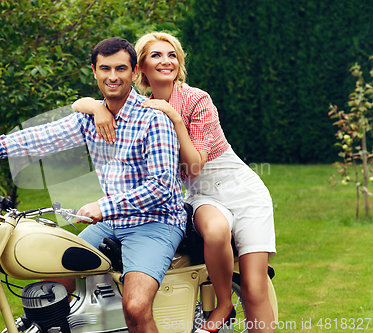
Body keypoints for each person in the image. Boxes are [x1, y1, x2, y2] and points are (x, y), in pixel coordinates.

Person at [0, 37, 186, 333]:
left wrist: (104, 205)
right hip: (112, 221)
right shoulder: (90, 119)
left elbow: (162, 186)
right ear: (94, 71)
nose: (112, 76)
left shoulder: (154, 119)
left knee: (136, 307)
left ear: (134, 71)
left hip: (155, 222)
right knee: (47, 285)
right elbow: (40, 137)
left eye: (120, 69)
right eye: (105, 69)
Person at [72, 32, 276, 333]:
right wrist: (96, 107)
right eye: (156, 55)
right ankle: (223, 302)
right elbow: (80, 104)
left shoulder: (197, 99)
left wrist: (175, 117)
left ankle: (231, 307)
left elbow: (194, 165)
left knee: (254, 286)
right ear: (140, 67)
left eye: (172, 55)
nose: (166, 61)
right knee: (216, 230)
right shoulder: (141, 107)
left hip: (241, 188)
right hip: (202, 194)